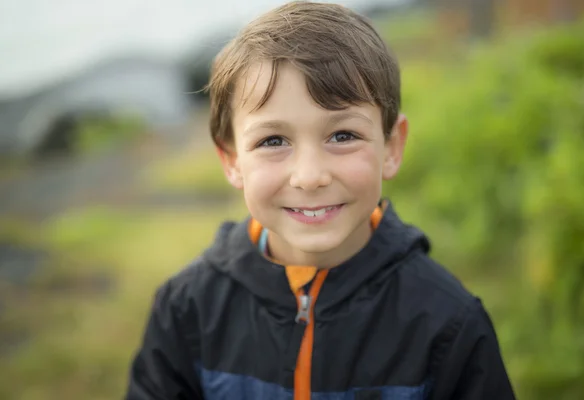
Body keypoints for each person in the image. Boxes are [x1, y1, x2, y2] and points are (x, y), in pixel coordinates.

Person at [125, 2, 515, 399]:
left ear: (391, 147)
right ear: (232, 161)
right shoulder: (186, 309)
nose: (310, 176)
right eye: (273, 141)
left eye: (342, 135)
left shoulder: (449, 324)